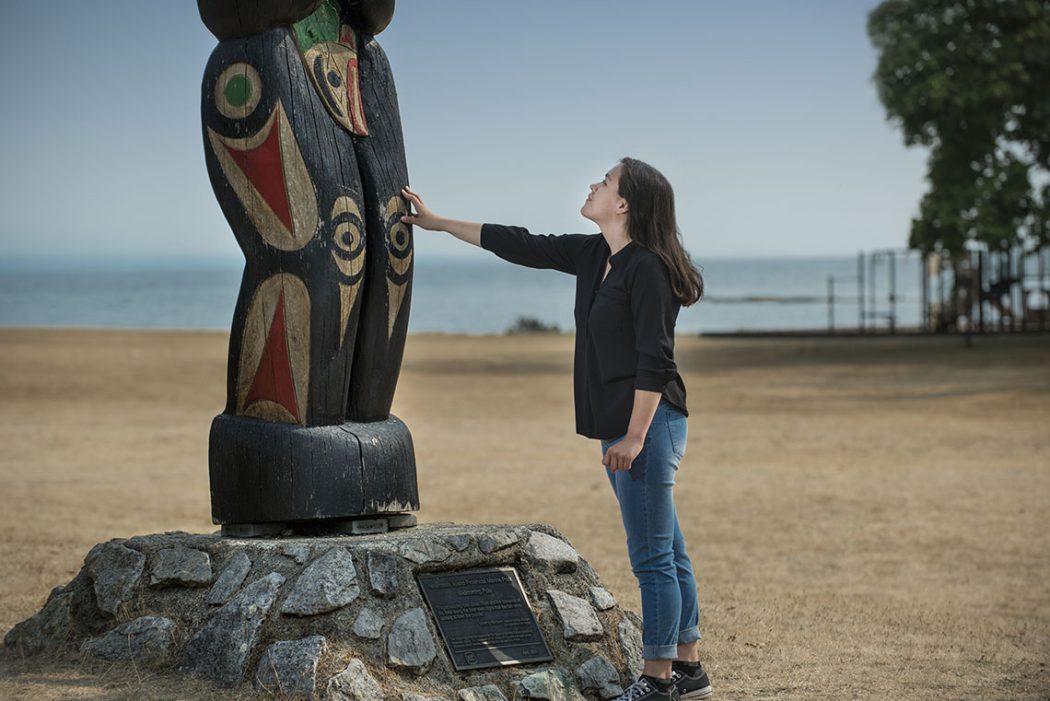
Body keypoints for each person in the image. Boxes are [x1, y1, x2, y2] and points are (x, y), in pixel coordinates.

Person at [400, 157, 711, 701]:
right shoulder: (596, 254)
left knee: (652, 555)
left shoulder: (648, 269)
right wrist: (440, 222)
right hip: (623, 424)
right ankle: (688, 667)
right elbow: (522, 243)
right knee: (669, 548)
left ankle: (659, 679)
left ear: (624, 205)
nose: (593, 185)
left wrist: (635, 438)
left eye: (606, 182)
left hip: (648, 423)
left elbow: (655, 361)